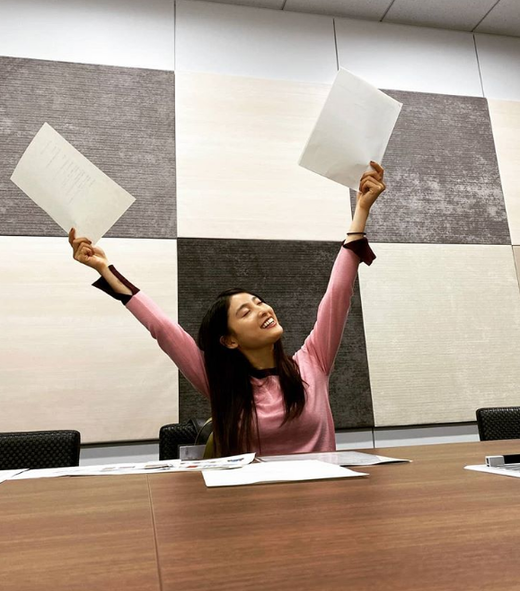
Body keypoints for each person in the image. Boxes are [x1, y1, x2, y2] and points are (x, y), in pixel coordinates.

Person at [69, 161, 385, 457]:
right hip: (253, 507)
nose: (262, 310)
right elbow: (164, 329)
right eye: (245, 312)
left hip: (324, 500)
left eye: (259, 302)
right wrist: (104, 268)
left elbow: (338, 294)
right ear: (229, 340)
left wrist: (361, 211)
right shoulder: (220, 383)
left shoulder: (312, 363)